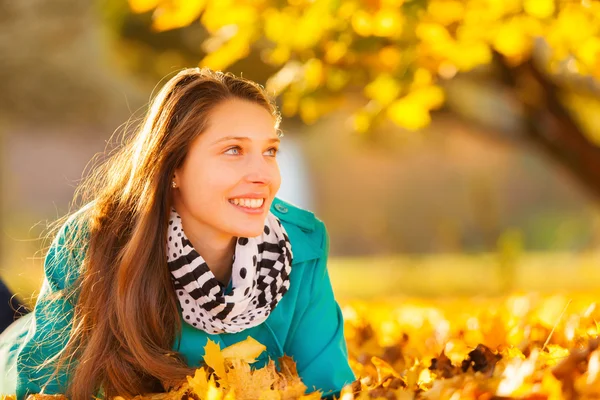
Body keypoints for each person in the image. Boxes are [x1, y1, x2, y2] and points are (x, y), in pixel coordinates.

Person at [0, 68, 356, 400]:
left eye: (270, 151)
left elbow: (326, 387)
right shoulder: (97, 237)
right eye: (234, 150)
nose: (263, 174)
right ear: (173, 167)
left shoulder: (302, 244)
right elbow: (43, 389)